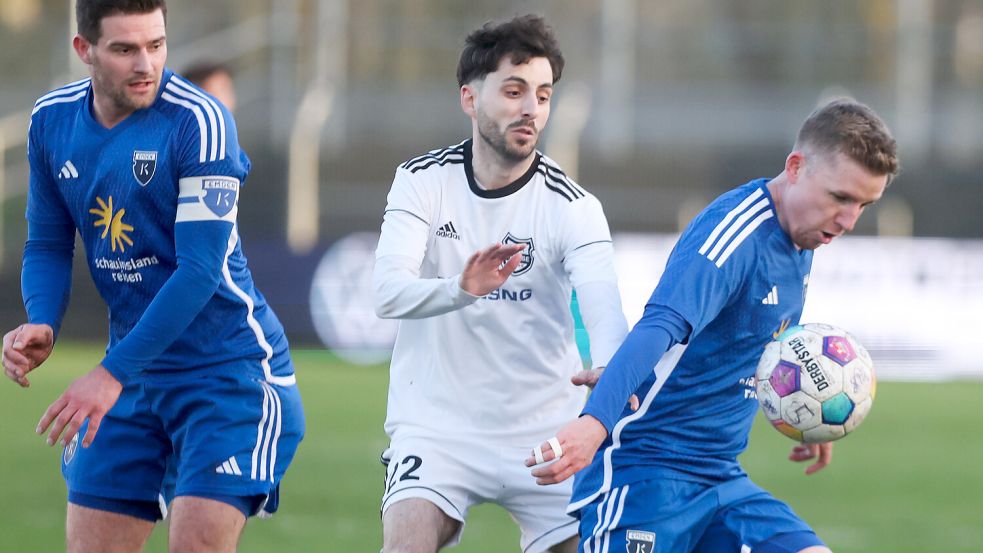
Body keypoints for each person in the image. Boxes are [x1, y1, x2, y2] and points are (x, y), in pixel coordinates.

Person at [528, 98, 900, 553]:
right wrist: (594, 424)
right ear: (797, 166)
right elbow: (660, 326)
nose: (848, 221)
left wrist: (817, 413)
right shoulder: (734, 234)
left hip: (720, 478)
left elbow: (762, 346)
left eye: (864, 204)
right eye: (840, 197)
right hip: (646, 474)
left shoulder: (802, 239)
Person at [1, 1, 304, 551]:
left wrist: (108, 374)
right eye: (124, 49)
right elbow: (47, 242)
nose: (147, 64)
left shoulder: (200, 121)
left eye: (157, 45)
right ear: (84, 50)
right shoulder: (51, 121)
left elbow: (199, 270)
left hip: (227, 374)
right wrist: (42, 320)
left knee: (195, 542)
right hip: (134, 374)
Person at [373, 14, 629, 553]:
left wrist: (610, 364)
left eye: (542, 94)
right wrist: (460, 289)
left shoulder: (574, 207)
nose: (531, 108)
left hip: (546, 434)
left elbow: (605, 306)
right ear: (469, 98)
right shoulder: (423, 180)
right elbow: (386, 293)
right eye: (513, 91)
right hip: (437, 431)